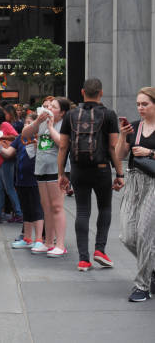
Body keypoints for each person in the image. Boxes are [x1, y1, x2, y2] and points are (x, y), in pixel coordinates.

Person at [58, 79, 123, 272]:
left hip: (78, 169)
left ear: (82, 92)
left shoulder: (70, 115)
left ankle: (83, 260)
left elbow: (63, 146)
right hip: (102, 169)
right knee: (104, 208)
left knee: (82, 211)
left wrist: (62, 173)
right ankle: (100, 250)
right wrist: (119, 173)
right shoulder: (109, 115)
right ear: (101, 93)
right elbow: (113, 147)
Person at [115, 86, 155, 302]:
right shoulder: (135, 127)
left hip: (154, 183)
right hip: (134, 181)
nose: (140, 108)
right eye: (138, 104)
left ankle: (142, 286)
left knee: (144, 233)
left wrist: (150, 152)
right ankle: (152, 268)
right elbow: (120, 155)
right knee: (127, 236)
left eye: (145, 104)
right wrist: (123, 136)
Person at [22, 97, 71, 257]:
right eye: (47, 106)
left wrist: (50, 127)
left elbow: (62, 143)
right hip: (41, 168)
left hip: (57, 170)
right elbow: (25, 134)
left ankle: (60, 244)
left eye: (53, 107)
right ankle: (48, 242)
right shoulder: (42, 122)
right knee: (46, 207)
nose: (49, 109)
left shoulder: (64, 124)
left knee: (57, 206)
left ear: (62, 112)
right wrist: (38, 122)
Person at [0, 113, 45, 250]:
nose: (26, 125)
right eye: (25, 122)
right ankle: (27, 238)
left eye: (30, 122)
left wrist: (38, 147)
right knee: (26, 210)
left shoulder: (39, 138)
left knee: (37, 209)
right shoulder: (20, 138)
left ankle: (39, 239)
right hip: (21, 179)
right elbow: (8, 153)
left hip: (35, 179)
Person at [0, 107, 22, 223]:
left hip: (6, 159)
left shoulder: (5, 125)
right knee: (0, 188)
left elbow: (16, 136)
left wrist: (1, 137)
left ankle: (18, 213)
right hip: (1, 160)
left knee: (8, 188)